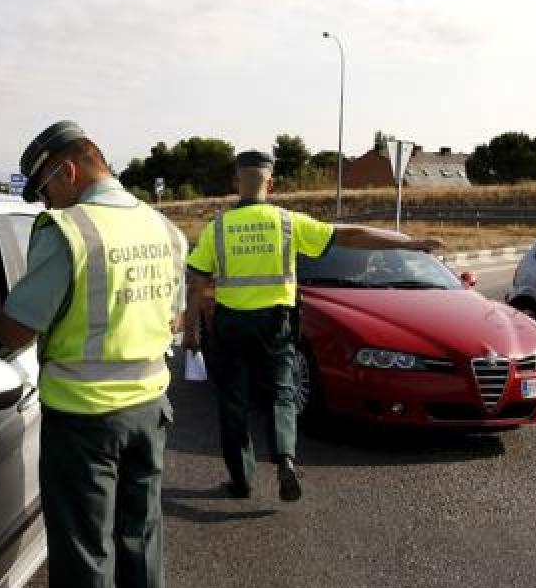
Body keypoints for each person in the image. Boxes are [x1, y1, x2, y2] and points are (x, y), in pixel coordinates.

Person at [184, 150, 441, 502]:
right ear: (271, 183)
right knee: (280, 393)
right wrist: (409, 244)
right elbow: (350, 236)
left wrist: (191, 334)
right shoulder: (288, 223)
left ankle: (241, 480)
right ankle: (285, 460)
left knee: (234, 403)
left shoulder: (218, 228)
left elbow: (196, 283)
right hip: (276, 324)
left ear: (236, 182)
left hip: (231, 325)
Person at [0, 121, 186, 588]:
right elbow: (174, 321)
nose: (46, 202)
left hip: (84, 418)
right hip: (149, 410)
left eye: (45, 190)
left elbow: (18, 327)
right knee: (141, 537)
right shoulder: (163, 227)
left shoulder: (68, 230)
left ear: (67, 171)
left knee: (85, 551)